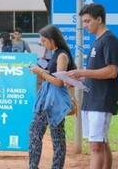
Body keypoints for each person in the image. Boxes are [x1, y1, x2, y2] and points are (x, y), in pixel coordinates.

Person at [67, 3, 118, 169]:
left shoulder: (110, 40)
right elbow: (95, 73)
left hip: (102, 99)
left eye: (88, 21)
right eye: (83, 22)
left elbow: (112, 71)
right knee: (101, 143)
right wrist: (76, 78)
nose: (85, 25)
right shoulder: (96, 42)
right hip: (91, 100)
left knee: (96, 146)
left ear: (99, 19)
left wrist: (83, 72)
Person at [29, 25, 76, 169]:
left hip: (53, 102)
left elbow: (59, 81)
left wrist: (40, 72)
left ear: (52, 39)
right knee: (38, 133)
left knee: (54, 138)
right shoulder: (55, 54)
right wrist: (42, 71)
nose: (42, 44)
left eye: (43, 41)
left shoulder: (62, 55)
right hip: (46, 99)